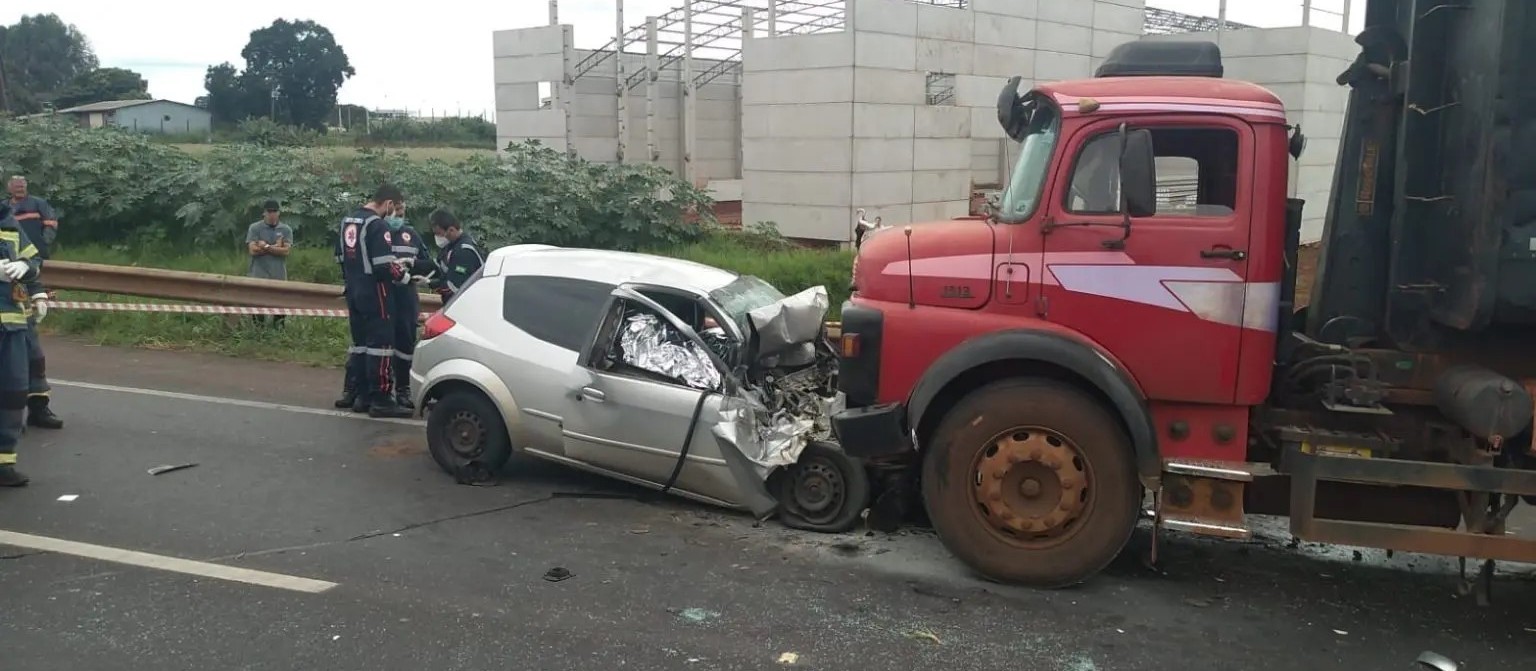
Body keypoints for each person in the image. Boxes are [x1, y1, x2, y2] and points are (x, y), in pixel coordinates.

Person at [335, 184, 412, 418]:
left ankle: (361, 395)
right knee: (381, 345)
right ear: (388, 204)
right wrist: (406, 277)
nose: (394, 214)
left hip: (354, 288)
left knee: (360, 344)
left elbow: (340, 258)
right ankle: (381, 398)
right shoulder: (377, 225)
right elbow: (383, 266)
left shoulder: (348, 221)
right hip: (376, 292)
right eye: (395, 209)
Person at [7, 176, 61, 430]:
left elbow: (29, 259)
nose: (19, 188)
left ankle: (38, 408)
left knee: (33, 358)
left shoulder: (7, 219)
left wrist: (38, 292)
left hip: (16, 309)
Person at [0, 200, 43, 486]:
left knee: (13, 395)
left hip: (12, 326)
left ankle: (4, 463)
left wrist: (26, 271)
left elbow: (34, 260)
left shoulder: (8, 221)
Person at [384, 205, 437, 410]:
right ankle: (379, 389)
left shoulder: (411, 235)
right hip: (385, 294)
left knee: (405, 343)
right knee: (381, 343)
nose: (397, 217)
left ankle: (403, 389)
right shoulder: (379, 232)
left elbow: (428, 262)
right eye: (394, 212)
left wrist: (412, 263)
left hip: (406, 296)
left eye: (401, 213)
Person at [245, 199, 294, 328]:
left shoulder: (286, 229)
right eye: (269, 212)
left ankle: (278, 330)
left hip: (278, 274)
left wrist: (265, 246)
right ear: (264, 213)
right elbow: (252, 250)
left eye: (274, 211)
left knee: (280, 304)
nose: (272, 214)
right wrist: (275, 247)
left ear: (279, 213)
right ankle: (258, 332)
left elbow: (286, 251)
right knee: (257, 304)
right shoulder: (255, 228)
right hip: (258, 273)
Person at [427, 208, 484, 301]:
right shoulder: (450, 246)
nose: (437, 237)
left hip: (468, 304)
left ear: (451, 230)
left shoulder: (464, 251)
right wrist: (413, 264)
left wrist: (430, 283)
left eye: (439, 234)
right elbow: (437, 266)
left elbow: (454, 287)